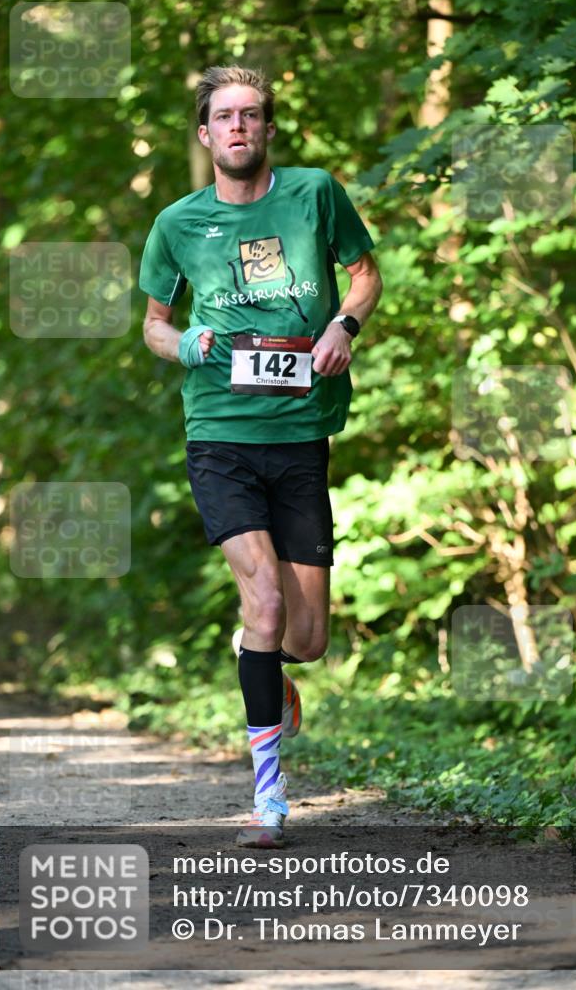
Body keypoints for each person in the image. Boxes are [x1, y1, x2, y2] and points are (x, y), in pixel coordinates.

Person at [139, 65, 382, 848]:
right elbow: (151, 324)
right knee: (267, 603)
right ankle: (269, 799)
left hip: (301, 433)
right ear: (205, 134)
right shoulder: (178, 223)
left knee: (304, 640)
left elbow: (365, 275)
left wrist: (343, 327)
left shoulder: (313, 193)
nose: (238, 126)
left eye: (251, 114)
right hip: (219, 435)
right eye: (224, 117)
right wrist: (184, 344)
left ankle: (260, 658)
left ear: (267, 129)